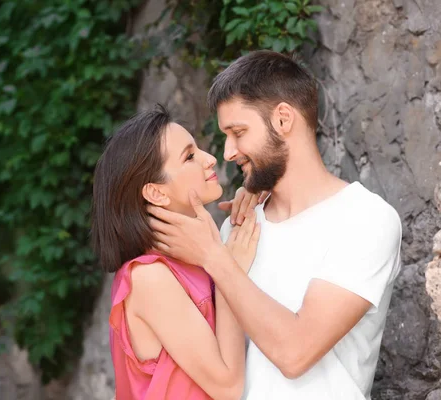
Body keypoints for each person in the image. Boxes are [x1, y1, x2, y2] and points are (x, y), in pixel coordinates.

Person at [148, 50, 402, 399]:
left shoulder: (366, 219)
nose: (228, 152)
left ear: (283, 119)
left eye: (238, 132)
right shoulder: (236, 229)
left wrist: (215, 259)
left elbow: (295, 353)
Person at [91, 105, 261, 400]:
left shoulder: (193, 261)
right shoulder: (149, 277)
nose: (210, 160)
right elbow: (228, 387)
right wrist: (226, 268)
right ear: (156, 192)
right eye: (190, 157)